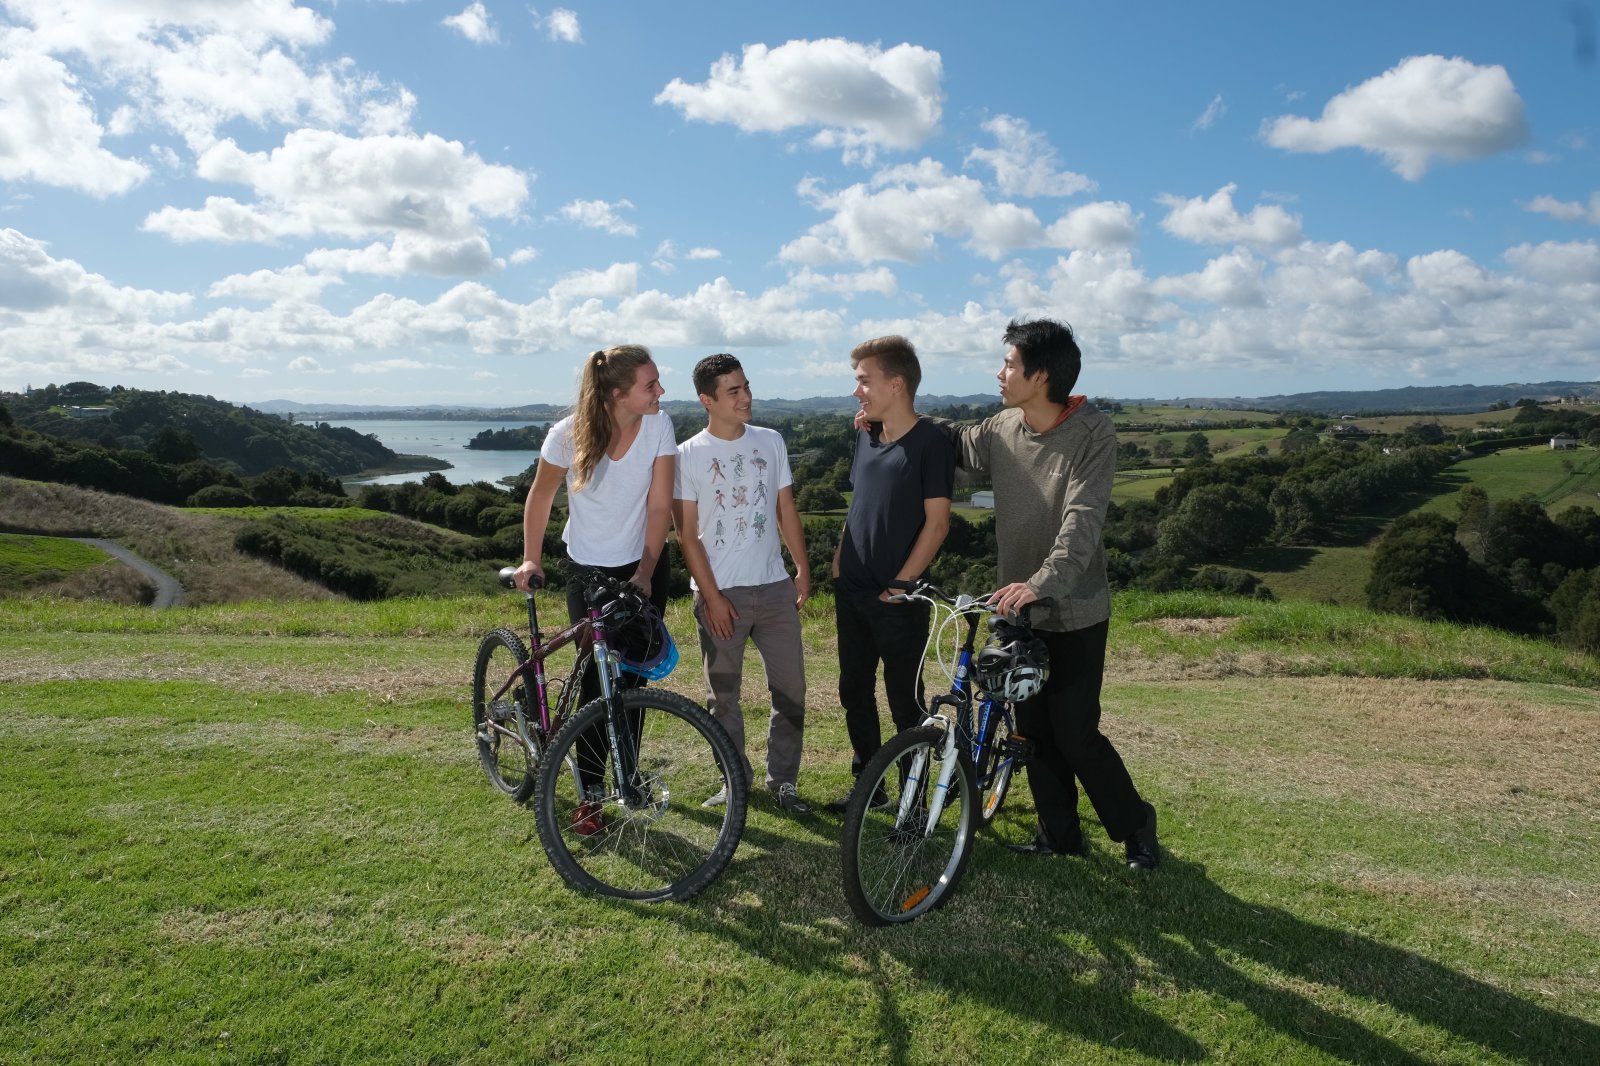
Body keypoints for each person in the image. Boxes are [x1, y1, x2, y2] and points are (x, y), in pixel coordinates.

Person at [940, 318, 1159, 869]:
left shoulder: (1092, 432)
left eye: (1009, 364)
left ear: (1040, 376)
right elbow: (953, 445)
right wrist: (889, 419)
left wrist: (1040, 583)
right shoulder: (1002, 427)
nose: (1000, 373)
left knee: (1076, 733)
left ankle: (1135, 824)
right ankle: (1058, 836)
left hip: (1074, 607)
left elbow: (1082, 522)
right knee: (1032, 732)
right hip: (1016, 609)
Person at [512, 345, 675, 836]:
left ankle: (628, 777)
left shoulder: (659, 425)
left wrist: (646, 571)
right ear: (617, 393)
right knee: (595, 682)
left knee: (634, 679)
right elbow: (541, 494)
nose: (661, 391)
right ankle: (591, 795)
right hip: (588, 569)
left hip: (643, 564)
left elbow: (659, 506)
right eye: (650, 384)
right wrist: (531, 558)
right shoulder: (568, 434)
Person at [673, 354, 813, 815]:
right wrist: (711, 596)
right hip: (720, 594)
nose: (746, 397)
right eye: (733, 391)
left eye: (746, 386)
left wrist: (801, 568)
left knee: (791, 691)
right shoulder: (687, 455)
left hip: (774, 588)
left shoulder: (771, 441)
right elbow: (686, 534)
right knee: (723, 698)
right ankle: (734, 781)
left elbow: (785, 509)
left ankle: (783, 782)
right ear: (707, 400)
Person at [826, 336, 954, 812]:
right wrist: (840, 558)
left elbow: (938, 524)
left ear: (896, 384)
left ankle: (913, 801)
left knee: (905, 702)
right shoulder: (866, 435)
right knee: (854, 691)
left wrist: (901, 585)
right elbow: (860, 505)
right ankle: (870, 787)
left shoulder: (931, 444)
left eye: (864, 380)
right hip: (852, 590)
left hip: (899, 598)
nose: (856, 390)